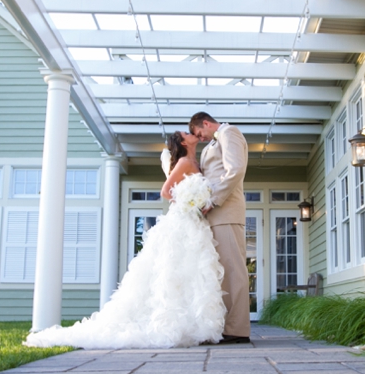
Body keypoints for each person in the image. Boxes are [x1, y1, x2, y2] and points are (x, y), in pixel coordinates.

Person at [24, 131, 226, 349]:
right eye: (186, 133)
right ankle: (171, 323)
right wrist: (189, 201)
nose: (190, 132)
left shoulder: (196, 160)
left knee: (191, 270)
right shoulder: (185, 161)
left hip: (195, 224)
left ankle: (193, 324)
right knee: (174, 268)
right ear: (183, 141)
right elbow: (166, 191)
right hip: (183, 219)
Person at [189, 112, 251, 344]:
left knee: (233, 270)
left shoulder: (229, 132)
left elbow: (235, 169)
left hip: (226, 211)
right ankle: (224, 325)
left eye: (199, 133)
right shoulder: (214, 142)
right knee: (221, 273)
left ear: (205, 123)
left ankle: (237, 330)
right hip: (214, 215)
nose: (201, 138)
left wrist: (213, 200)